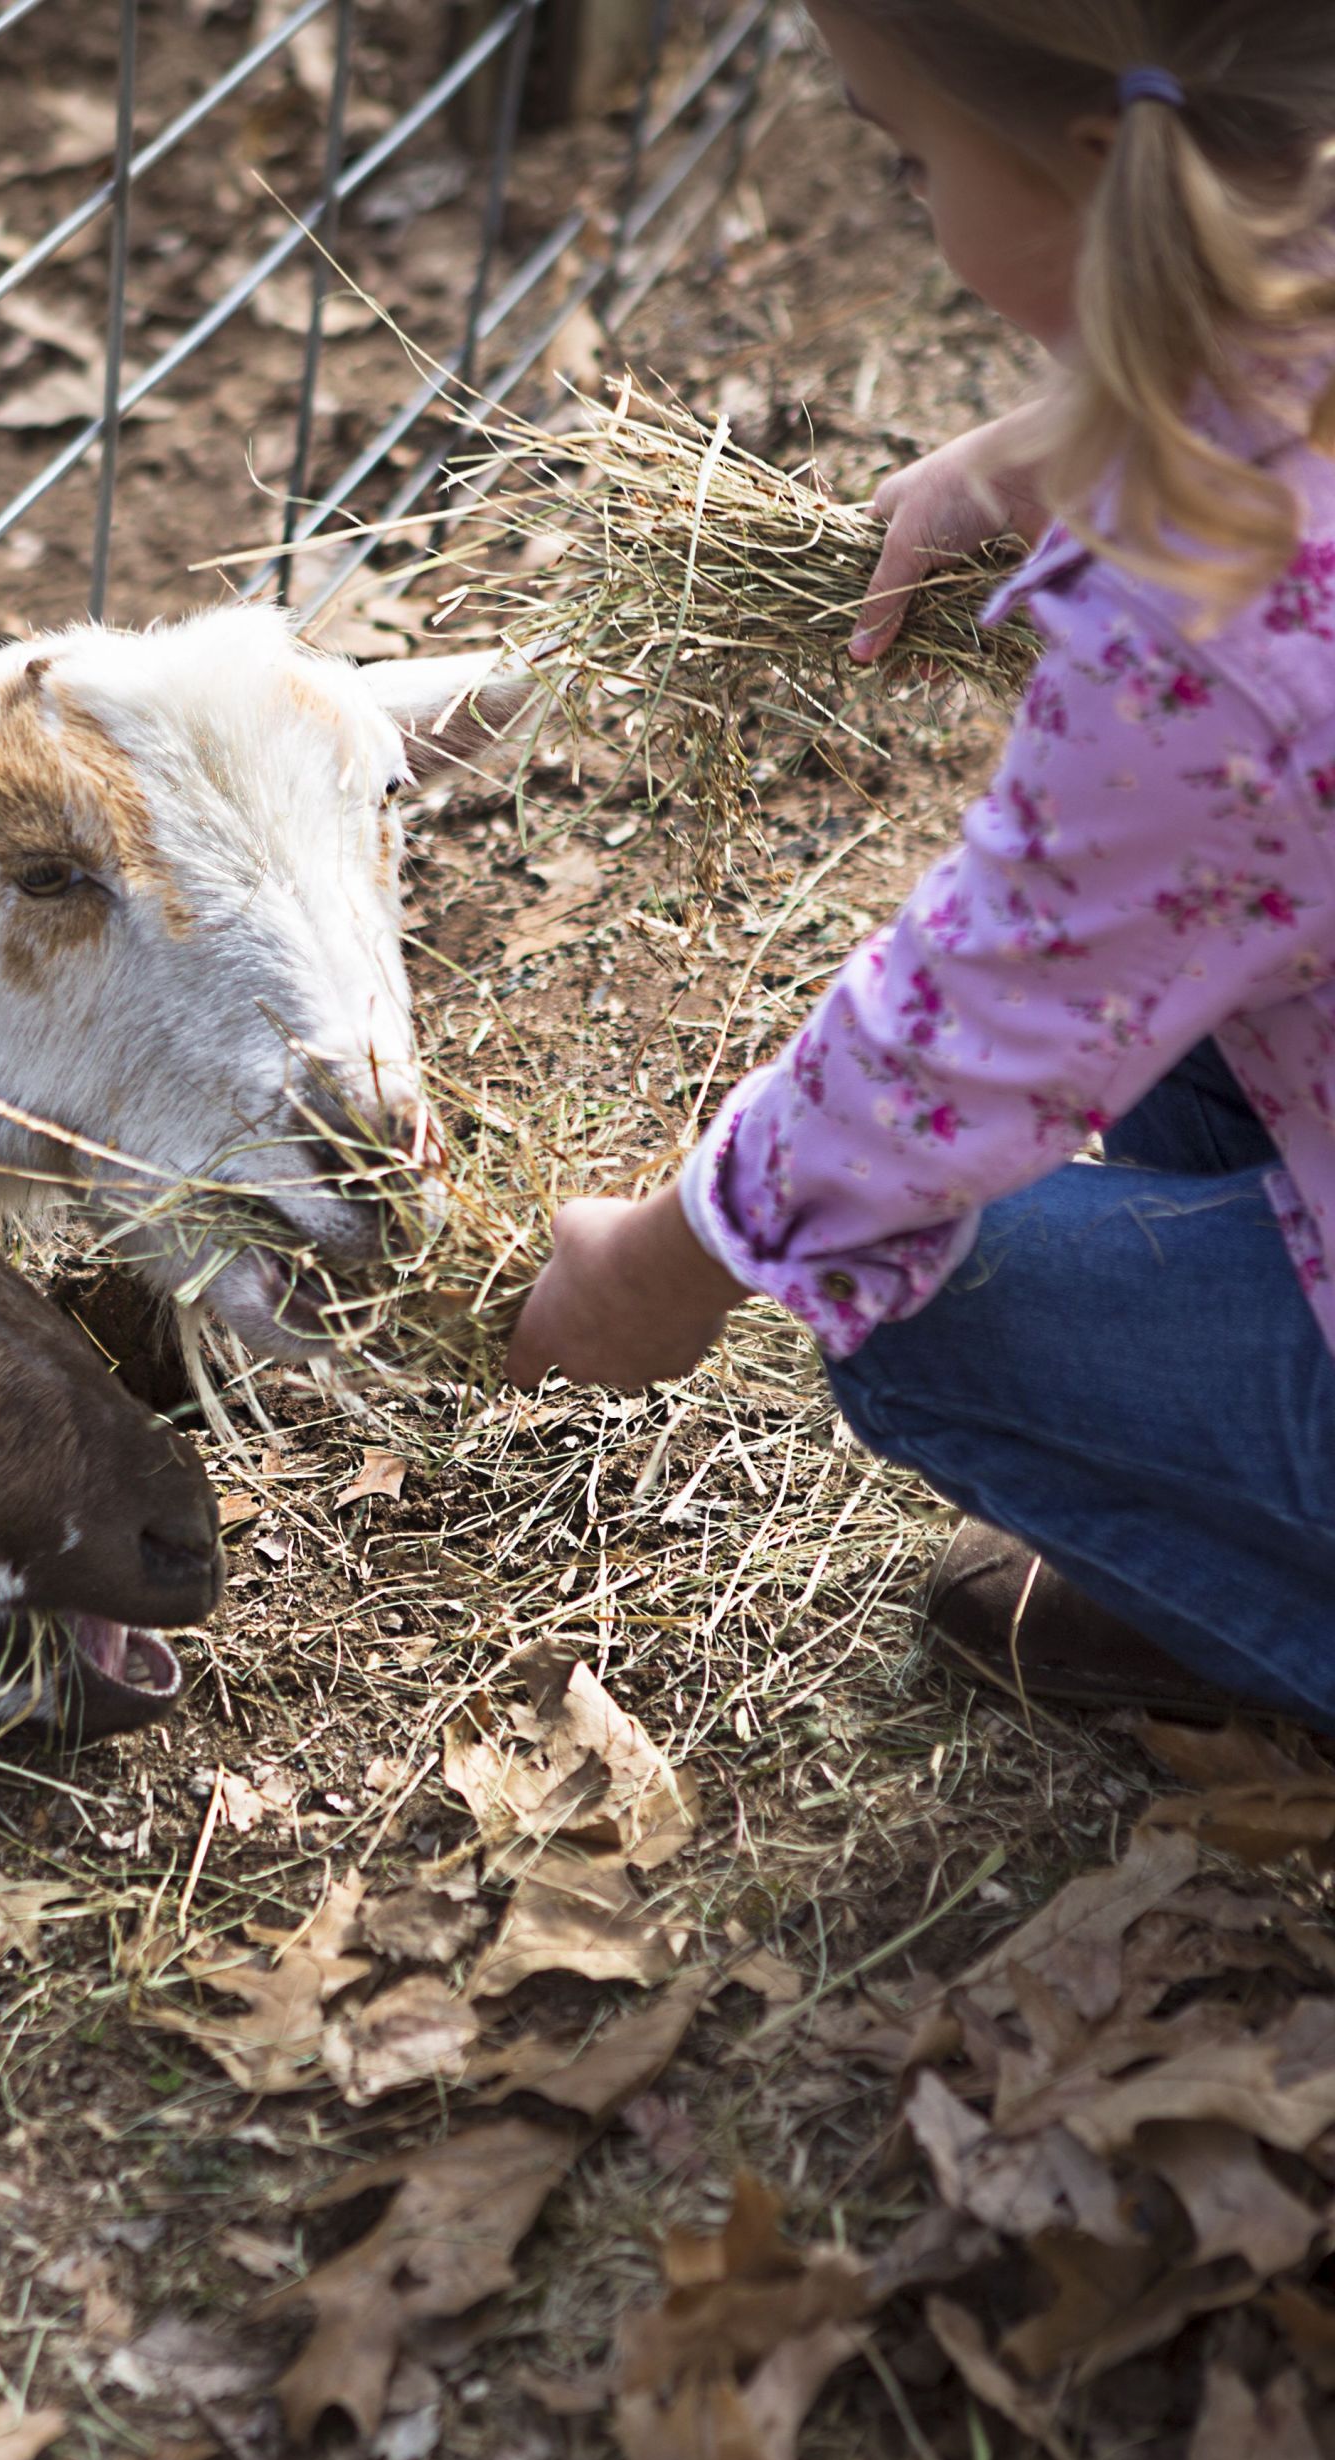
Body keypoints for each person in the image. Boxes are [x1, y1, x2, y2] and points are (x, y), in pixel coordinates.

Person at [505, 2, 1335, 1722]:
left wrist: (663, 1266)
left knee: (900, 1289)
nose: (915, 203)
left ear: (1107, 174)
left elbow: (939, 1054)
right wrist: (1067, 433)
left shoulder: (1206, 626)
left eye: (908, 161)